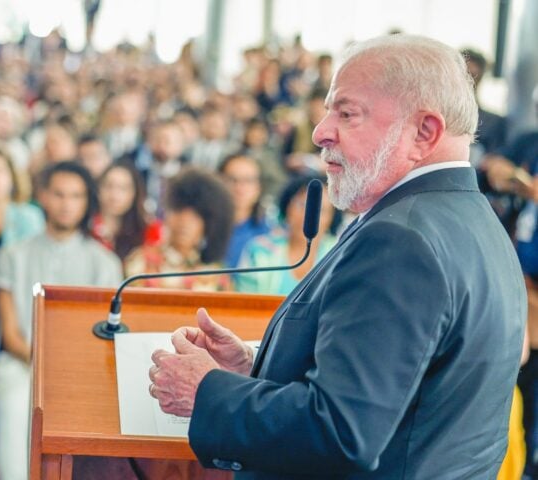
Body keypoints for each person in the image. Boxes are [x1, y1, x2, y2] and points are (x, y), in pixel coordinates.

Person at [148, 34, 525, 478]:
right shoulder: (471, 219)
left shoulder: (401, 241)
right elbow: (402, 394)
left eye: (347, 113)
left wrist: (207, 390)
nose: (319, 131)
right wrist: (255, 369)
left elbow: (342, 433)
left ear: (424, 132)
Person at [0, 162, 122, 480]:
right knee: (13, 399)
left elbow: (105, 338)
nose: (66, 204)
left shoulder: (105, 262)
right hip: (21, 363)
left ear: (86, 202)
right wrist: (39, 363)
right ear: (44, 198)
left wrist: (64, 371)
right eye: (59, 194)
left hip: (81, 372)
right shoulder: (12, 255)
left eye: (75, 196)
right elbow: (9, 333)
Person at [123, 168, 234, 291]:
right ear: (167, 214)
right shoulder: (142, 261)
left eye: (196, 216)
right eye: (179, 211)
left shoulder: (216, 274)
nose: (185, 222)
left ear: (208, 224)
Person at [235, 175, 338, 295]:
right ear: (288, 206)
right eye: (302, 205)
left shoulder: (339, 253)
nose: (307, 216)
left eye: (321, 210)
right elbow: (246, 304)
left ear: (332, 218)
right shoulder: (260, 249)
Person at [92, 162, 162, 261]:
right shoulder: (87, 228)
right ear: (98, 189)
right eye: (109, 186)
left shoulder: (148, 229)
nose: (114, 195)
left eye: (123, 188)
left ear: (134, 193)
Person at [219, 153, 271, 269]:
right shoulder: (203, 228)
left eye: (248, 180)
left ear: (259, 187)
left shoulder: (268, 233)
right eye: (232, 180)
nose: (239, 188)